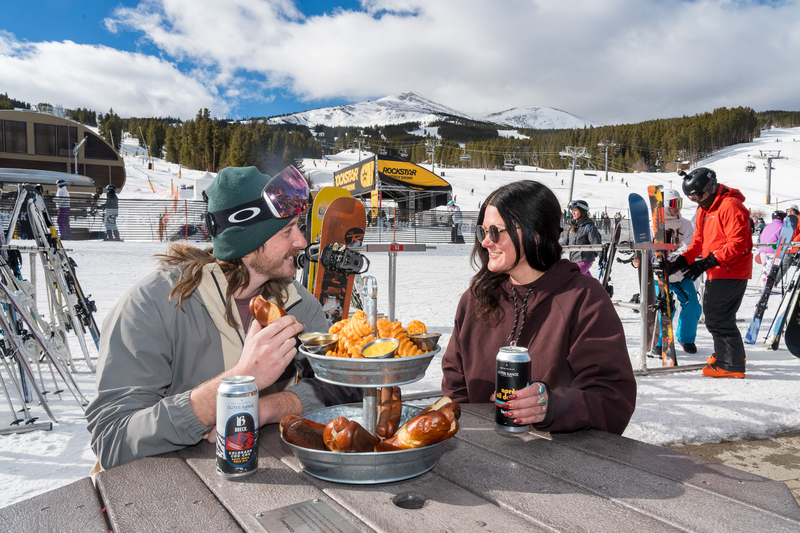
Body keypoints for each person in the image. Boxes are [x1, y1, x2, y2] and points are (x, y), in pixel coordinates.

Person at [85, 166, 361, 469]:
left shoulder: (298, 304)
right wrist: (238, 384)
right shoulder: (154, 304)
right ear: (246, 244)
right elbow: (112, 438)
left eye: (298, 227)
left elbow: (342, 388)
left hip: (263, 480)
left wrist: (265, 408)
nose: (301, 242)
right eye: (287, 231)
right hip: (159, 494)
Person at [441, 180, 636, 435]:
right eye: (483, 232)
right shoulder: (476, 299)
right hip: (481, 457)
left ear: (535, 233)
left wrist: (551, 406)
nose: (486, 242)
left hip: (558, 462)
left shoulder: (583, 299)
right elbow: (455, 383)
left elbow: (612, 398)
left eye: (496, 232)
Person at [669, 168, 752, 378]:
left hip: (731, 271)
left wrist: (707, 262)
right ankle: (729, 355)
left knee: (718, 318)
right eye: (691, 198)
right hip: (717, 270)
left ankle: (730, 366)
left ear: (708, 189)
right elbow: (698, 242)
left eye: (696, 196)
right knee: (716, 315)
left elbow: (739, 244)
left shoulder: (731, 206)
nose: (695, 200)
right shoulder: (705, 210)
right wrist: (682, 261)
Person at [658, 189, 702, 354]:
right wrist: (638, 260)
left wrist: (676, 258)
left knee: (693, 305)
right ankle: (660, 339)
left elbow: (691, 244)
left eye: (680, 203)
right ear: (665, 205)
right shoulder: (653, 225)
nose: (677, 207)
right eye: (673, 204)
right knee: (664, 306)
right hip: (659, 274)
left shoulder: (684, 224)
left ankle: (686, 338)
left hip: (680, 271)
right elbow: (645, 246)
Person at [561, 199, 602, 276]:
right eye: (572, 210)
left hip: (585, 260)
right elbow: (564, 244)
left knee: (571, 277)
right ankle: (593, 287)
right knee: (586, 281)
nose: (572, 213)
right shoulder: (571, 228)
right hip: (574, 261)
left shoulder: (589, 227)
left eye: (575, 210)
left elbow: (596, 244)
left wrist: (602, 257)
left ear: (582, 212)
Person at [756, 211, 786, 284]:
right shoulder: (783, 226)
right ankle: (769, 286)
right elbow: (783, 238)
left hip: (762, 249)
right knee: (771, 269)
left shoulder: (767, 226)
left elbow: (761, 237)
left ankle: (763, 284)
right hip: (772, 250)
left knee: (765, 268)